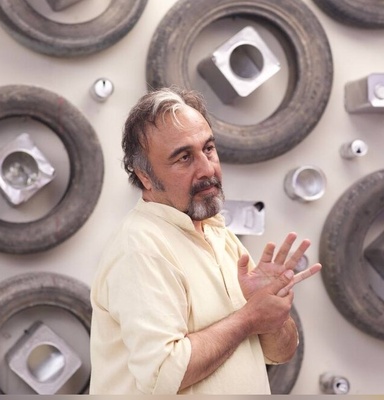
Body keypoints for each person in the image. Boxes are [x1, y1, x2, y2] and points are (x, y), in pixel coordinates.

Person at [89, 86, 322, 394]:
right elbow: (162, 375)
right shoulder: (141, 247)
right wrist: (249, 317)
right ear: (145, 176)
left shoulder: (216, 232)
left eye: (208, 149)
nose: (207, 168)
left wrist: (271, 312)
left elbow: (281, 353)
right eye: (184, 157)